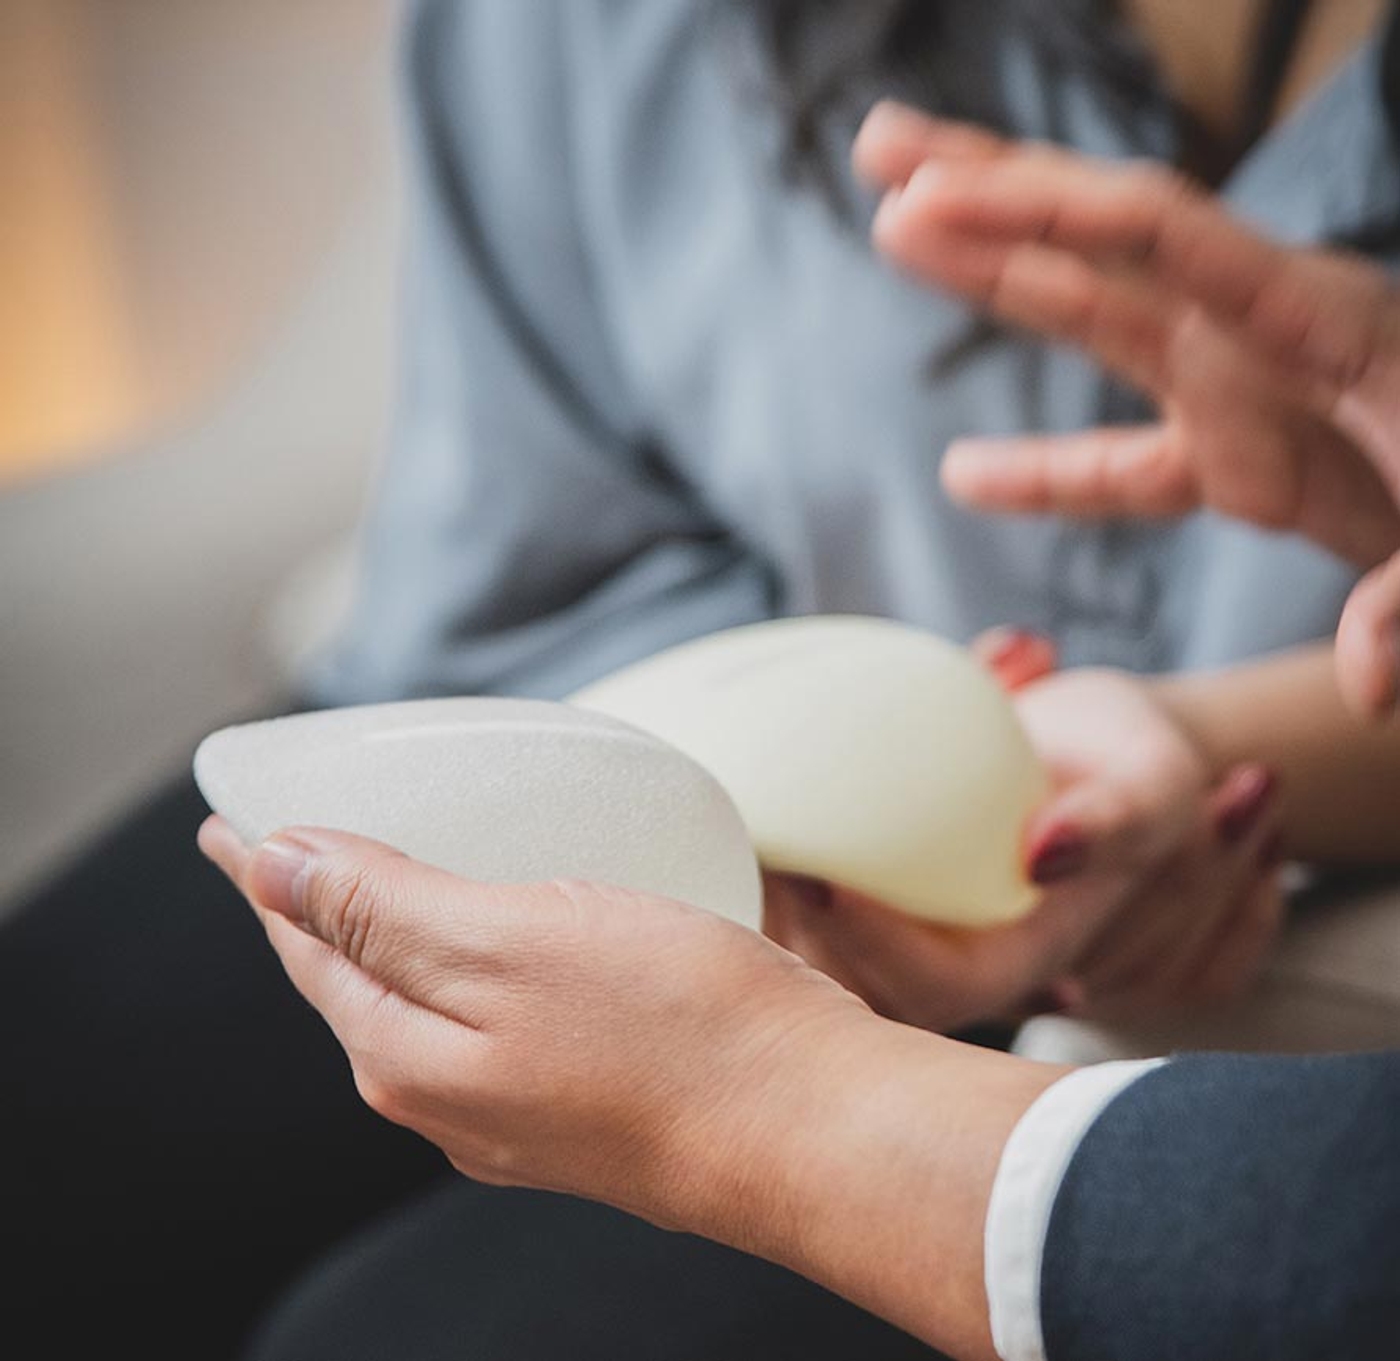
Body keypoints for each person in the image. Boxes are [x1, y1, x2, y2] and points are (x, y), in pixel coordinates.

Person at [4, 0, 1400, 1357]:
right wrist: (697, 797)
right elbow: (545, 529)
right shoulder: (617, 31)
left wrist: (1196, 747)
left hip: (1127, 844)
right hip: (602, 711)